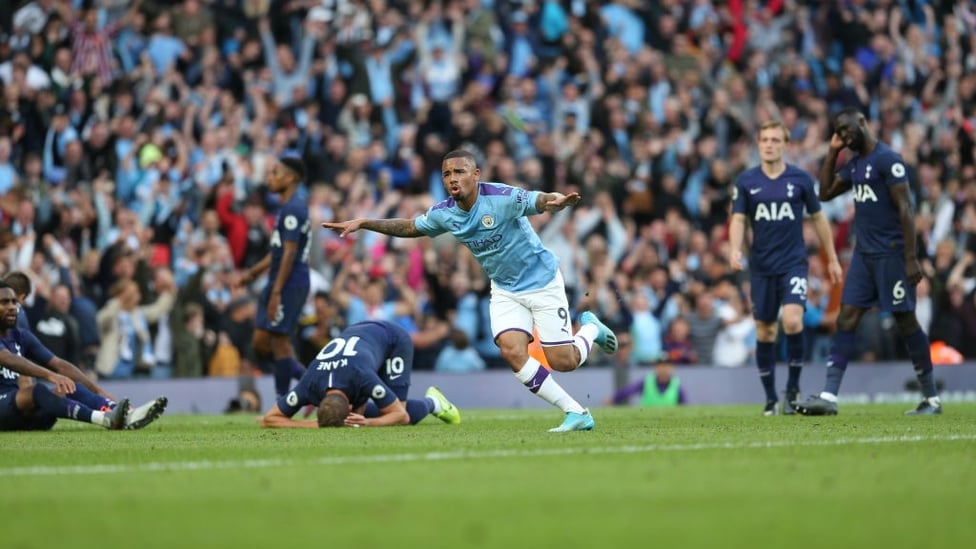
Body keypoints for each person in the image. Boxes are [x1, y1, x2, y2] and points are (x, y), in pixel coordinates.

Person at [323, 149, 617, 432]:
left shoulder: (501, 197)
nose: (452, 178)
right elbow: (411, 227)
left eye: (459, 172)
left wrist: (555, 201)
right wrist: (364, 223)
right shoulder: (445, 213)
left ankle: (591, 329)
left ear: (476, 174)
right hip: (504, 288)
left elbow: (538, 200)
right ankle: (576, 412)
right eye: (446, 174)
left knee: (563, 362)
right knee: (512, 351)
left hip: (541, 281)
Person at [793, 108, 942, 416]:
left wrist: (911, 259)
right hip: (864, 256)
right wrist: (832, 152)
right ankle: (829, 396)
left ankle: (932, 398)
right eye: (839, 135)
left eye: (847, 132)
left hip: (891, 254)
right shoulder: (855, 163)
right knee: (846, 318)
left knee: (906, 321)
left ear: (863, 123)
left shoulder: (888, 160)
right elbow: (824, 191)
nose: (845, 139)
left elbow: (906, 210)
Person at [729, 120, 843, 415]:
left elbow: (818, 219)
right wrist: (735, 248)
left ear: (785, 144)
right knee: (765, 332)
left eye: (775, 140)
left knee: (793, 321)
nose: (769, 144)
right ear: (759, 144)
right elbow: (739, 219)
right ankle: (770, 399)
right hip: (762, 267)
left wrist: (831, 258)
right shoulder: (746, 181)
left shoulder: (801, 180)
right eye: (764, 139)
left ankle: (792, 389)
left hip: (793, 263)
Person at [0, 282, 166, 431]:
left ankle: (128, 415)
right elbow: (7, 358)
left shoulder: (21, 336)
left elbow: (59, 364)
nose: (12, 307)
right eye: (4, 302)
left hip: (23, 416)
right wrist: (50, 375)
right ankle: (104, 419)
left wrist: (98, 390)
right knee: (38, 391)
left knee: (72, 386)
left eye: (14, 301)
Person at [260, 320, 461, 428]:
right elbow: (268, 419)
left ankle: (433, 402)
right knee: (371, 414)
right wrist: (312, 425)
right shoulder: (308, 384)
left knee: (397, 412)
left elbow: (401, 416)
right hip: (358, 333)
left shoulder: (361, 376)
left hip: (393, 339)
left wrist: (368, 423)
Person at [240, 157, 311, 397]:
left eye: (275, 173)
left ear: (290, 178)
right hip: (279, 279)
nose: (269, 178)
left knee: (279, 342)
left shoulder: (294, 209)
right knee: (261, 341)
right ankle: (309, 384)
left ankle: (283, 401)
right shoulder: (287, 207)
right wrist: (252, 274)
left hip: (290, 281)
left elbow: (290, 253)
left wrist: (277, 292)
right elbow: (279, 251)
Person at [605, 359, 687, 407]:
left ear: (672, 368)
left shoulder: (676, 385)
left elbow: (684, 404)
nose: (663, 369)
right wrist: (614, 399)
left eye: (666, 365)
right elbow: (629, 390)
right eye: (660, 365)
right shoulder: (647, 381)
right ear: (655, 367)